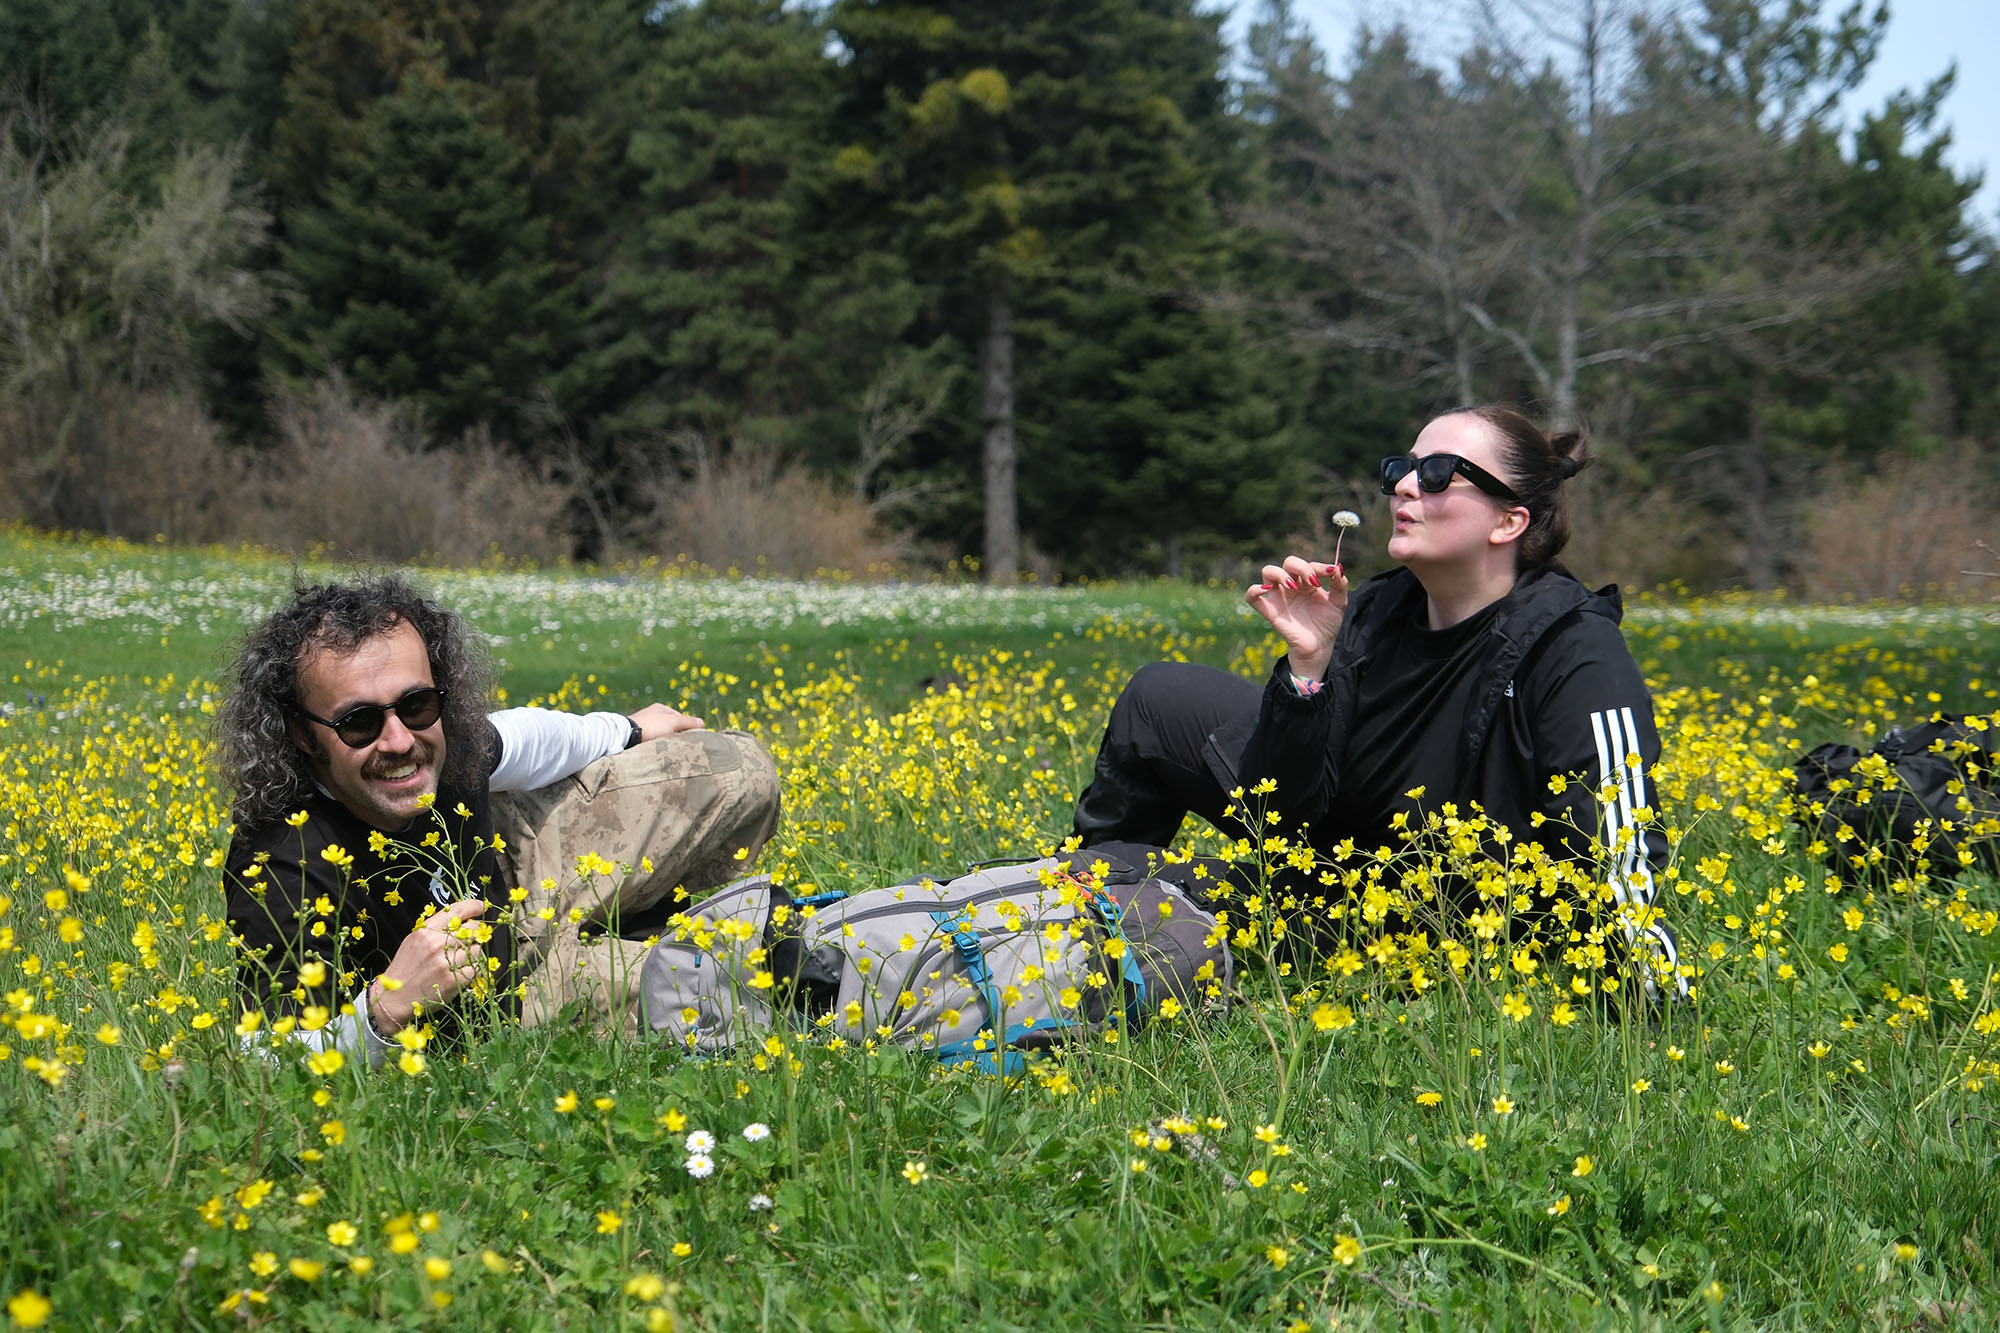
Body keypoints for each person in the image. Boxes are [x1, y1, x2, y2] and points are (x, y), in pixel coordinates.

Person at [1071, 405, 1683, 997]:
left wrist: (1646, 994)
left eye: (1440, 473)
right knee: (1159, 696)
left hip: (1444, 923)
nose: (1406, 488)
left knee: (1194, 894)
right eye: (1402, 469)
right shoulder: (1374, 611)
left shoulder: (1573, 648)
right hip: (1336, 856)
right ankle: (1075, 914)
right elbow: (1279, 815)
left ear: (1509, 523)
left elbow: (1621, 846)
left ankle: (1110, 928)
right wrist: (1308, 669)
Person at [217, 574, 781, 1066]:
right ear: (301, 733)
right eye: (359, 723)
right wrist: (386, 1009)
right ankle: (672, 941)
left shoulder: (440, 735)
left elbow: (522, 738)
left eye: (415, 705)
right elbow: (262, 1061)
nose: (399, 740)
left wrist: (626, 730)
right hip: (501, 1001)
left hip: (520, 867)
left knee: (742, 771)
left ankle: (649, 917)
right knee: (739, 977)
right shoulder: (282, 868)